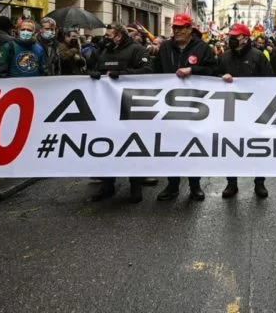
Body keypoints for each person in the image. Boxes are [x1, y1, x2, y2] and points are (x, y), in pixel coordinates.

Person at [154, 13, 217, 202]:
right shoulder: (165, 47)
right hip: (169, 106)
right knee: (171, 146)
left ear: (190, 29)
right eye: (175, 28)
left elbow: (213, 70)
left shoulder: (202, 48)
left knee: (192, 147)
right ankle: (172, 185)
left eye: (181, 27)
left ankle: (195, 185)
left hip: (193, 106)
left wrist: (192, 70)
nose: (177, 31)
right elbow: (155, 71)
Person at [89, 23, 153, 203]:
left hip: (130, 106)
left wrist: (123, 74)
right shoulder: (103, 51)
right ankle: (108, 184)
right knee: (107, 145)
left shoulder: (137, 50)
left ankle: (135, 185)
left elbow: (147, 72)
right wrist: (94, 74)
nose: (106, 38)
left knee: (131, 145)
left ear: (118, 36)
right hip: (107, 107)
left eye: (109, 35)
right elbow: (94, 69)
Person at [218, 23, 274, 198]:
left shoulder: (258, 56)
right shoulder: (224, 57)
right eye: (231, 36)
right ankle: (231, 183)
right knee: (231, 147)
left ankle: (259, 183)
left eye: (236, 36)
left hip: (254, 111)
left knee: (257, 148)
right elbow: (212, 79)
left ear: (245, 38)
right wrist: (221, 79)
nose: (232, 39)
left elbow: (269, 81)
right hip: (231, 111)